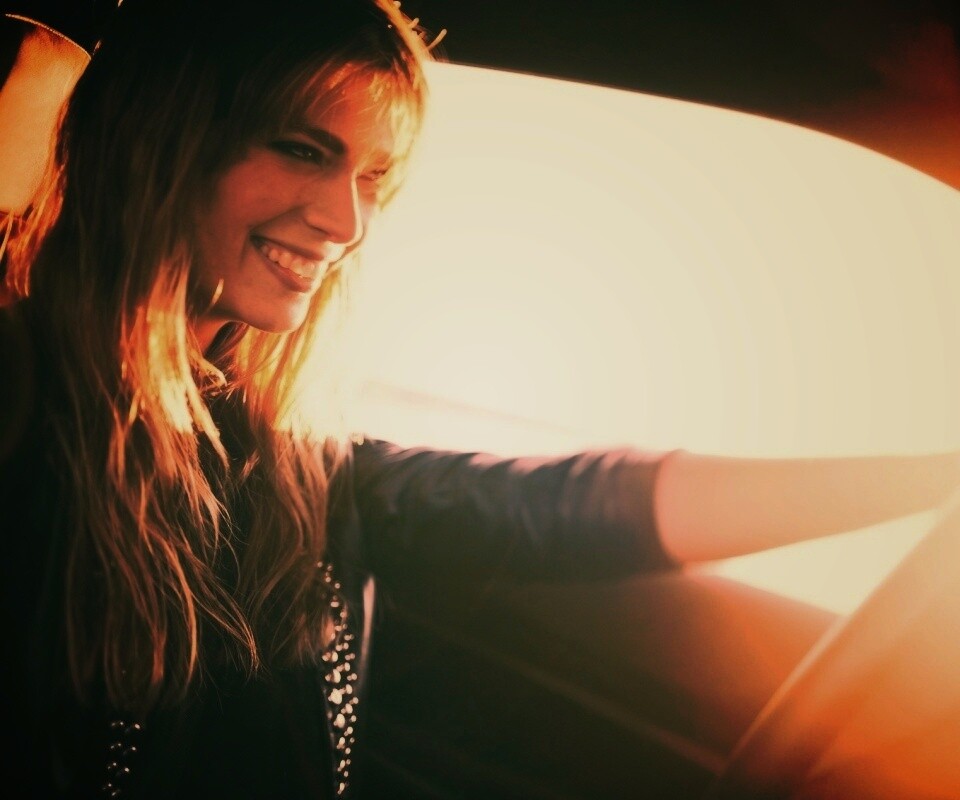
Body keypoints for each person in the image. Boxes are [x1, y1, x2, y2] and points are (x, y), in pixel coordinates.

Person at [1, 1, 958, 797]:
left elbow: (548, 504)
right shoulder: (23, 410)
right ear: (160, 140)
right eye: (301, 149)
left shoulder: (287, 456)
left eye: (373, 178)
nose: (346, 220)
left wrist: (924, 481)